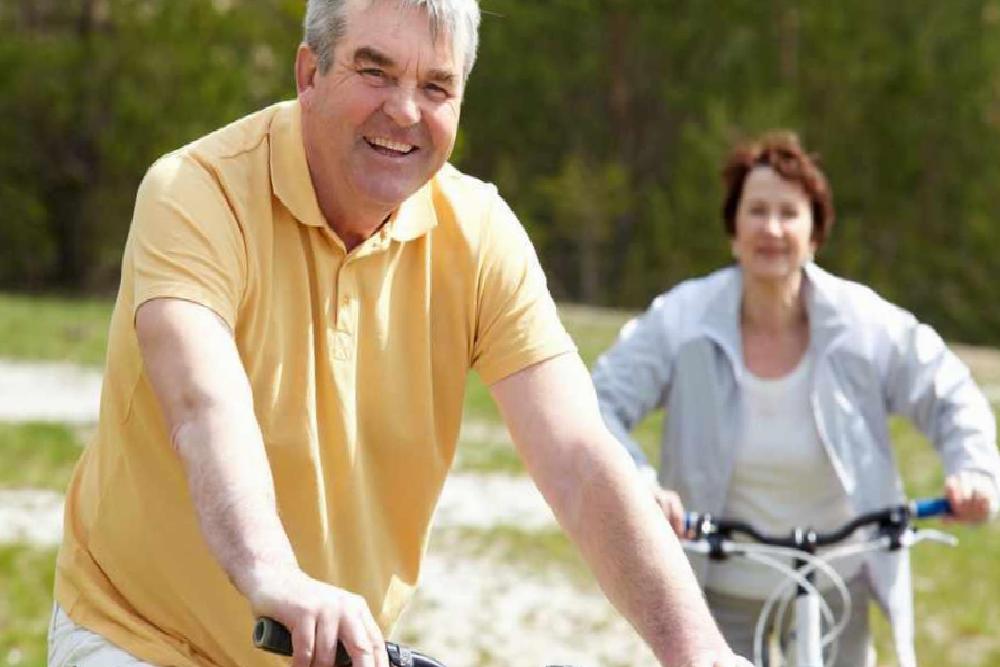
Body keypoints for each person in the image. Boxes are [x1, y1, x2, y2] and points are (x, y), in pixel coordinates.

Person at [47, 2, 753, 667]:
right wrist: (273, 575)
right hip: (141, 635)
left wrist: (697, 652)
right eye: (374, 69)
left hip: (328, 650)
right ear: (310, 75)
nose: (405, 110)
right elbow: (205, 405)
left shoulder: (479, 235)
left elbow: (578, 454)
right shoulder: (195, 193)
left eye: (437, 85)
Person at [591, 130, 1000, 667]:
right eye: (756, 211)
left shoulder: (861, 322)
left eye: (789, 213)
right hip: (717, 583)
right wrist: (640, 484)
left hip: (839, 576)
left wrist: (972, 470)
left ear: (814, 234)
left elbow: (948, 390)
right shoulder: (682, 318)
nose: (772, 228)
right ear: (733, 230)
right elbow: (598, 403)